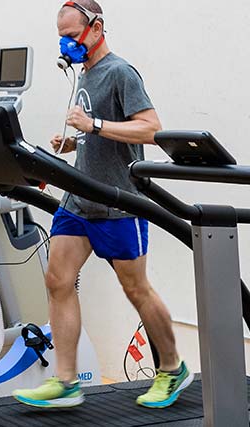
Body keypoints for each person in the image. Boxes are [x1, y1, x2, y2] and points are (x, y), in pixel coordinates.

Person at [13, 0, 193, 410]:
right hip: (79, 199)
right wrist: (76, 141)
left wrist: (93, 125)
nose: (67, 44)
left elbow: (150, 129)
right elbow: (102, 134)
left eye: (72, 35)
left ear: (96, 28)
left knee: (136, 288)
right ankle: (65, 381)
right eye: (61, 36)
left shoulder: (120, 72)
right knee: (58, 280)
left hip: (119, 202)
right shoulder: (85, 75)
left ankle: (172, 368)